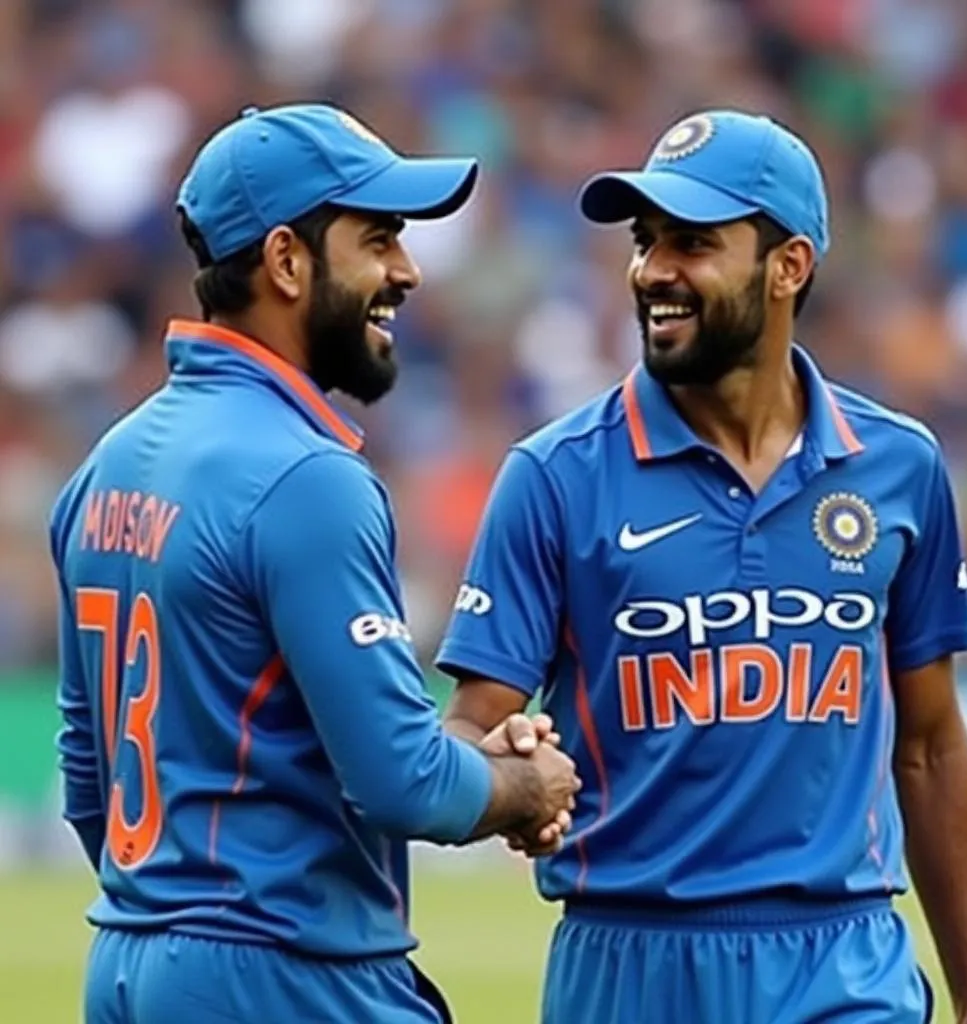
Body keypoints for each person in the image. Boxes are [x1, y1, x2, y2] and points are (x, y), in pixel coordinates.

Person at [437, 109, 967, 1023]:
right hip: (627, 961)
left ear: (789, 267)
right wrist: (498, 773)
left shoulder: (898, 467)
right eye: (645, 240)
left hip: (844, 965)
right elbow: (471, 723)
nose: (654, 270)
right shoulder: (554, 476)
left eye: (693, 243)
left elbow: (930, 745)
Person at [49, 102, 580, 1024]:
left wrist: (175, 919)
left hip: (132, 967)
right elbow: (401, 781)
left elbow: (87, 780)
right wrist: (524, 785)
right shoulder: (305, 478)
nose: (406, 272)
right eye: (377, 239)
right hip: (287, 977)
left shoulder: (110, 463)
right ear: (288, 261)